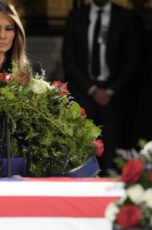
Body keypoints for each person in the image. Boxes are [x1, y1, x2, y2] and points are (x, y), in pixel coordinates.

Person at [62, 0, 140, 175]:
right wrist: (92, 89)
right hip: (83, 93)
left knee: (112, 150)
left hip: (115, 95)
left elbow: (132, 60)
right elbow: (69, 59)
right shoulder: (77, 16)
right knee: (81, 147)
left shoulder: (126, 17)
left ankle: (109, 190)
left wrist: (111, 90)